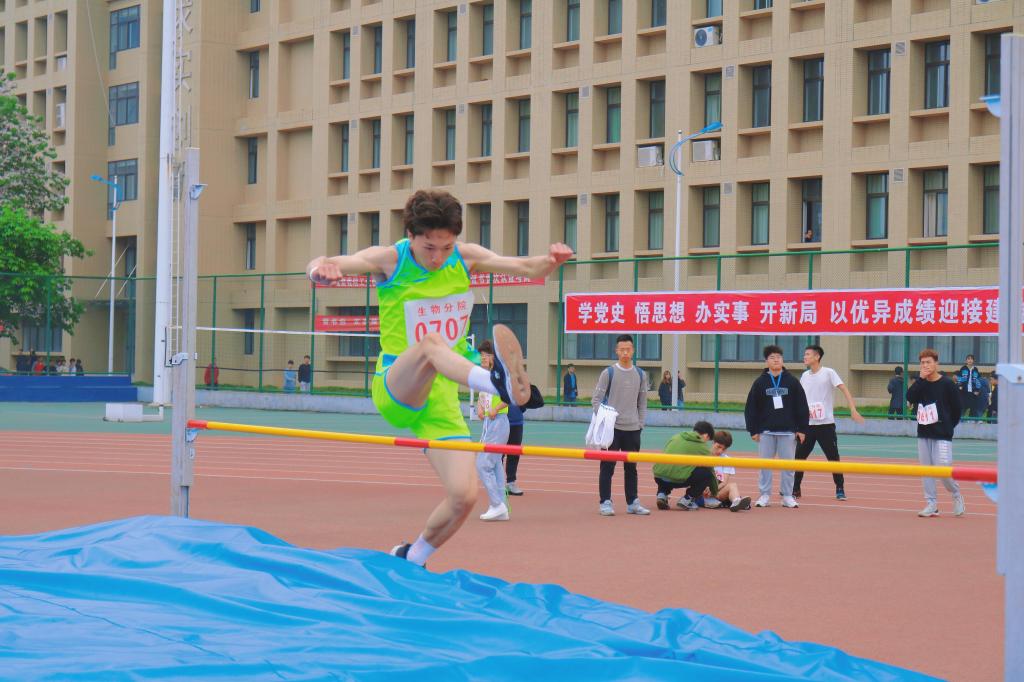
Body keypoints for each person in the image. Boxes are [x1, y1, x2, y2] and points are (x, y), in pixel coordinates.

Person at [306, 189, 572, 566]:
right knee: (431, 344)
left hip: (441, 399)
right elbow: (328, 261)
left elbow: (529, 269)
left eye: (446, 247)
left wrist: (551, 260)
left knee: (464, 496)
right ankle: (496, 383)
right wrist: (320, 269)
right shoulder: (390, 259)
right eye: (429, 247)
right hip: (398, 385)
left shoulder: (466, 258)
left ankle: (411, 557)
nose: (437, 257)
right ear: (411, 235)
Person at [793, 345, 864, 501]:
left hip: (825, 425)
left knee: (833, 458)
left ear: (817, 357)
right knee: (799, 458)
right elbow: (799, 399)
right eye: (804, 354)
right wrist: (798, 424)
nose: (804, 357)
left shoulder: (828, 372)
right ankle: (795, 488)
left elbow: (844, 389)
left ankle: (840, 488)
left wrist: (853, 409)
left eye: (808, 354)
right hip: (807, 425)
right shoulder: (804, 376)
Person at [744, 344, 809, 509]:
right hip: (766, 431)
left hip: (788, 431)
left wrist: (802, 429)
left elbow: (802, 406)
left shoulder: (792, 381)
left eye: (779, 357)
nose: (776, 360)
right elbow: (751, 407)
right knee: (765, 465)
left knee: (788, 466)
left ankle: (787, 496)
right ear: (766, 361)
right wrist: (753, 429)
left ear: (782, 360)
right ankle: (764, 495)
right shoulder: (760, 382)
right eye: (772, 357)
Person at [593, 334, 651, 517]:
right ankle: (605, 502)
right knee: (607, 466)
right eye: (622, 349)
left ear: (633, 351)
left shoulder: (640, 374)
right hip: (612, 430)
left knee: (631, 468)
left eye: (628, 349)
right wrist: (606, 420)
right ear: (616, 351)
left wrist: (640, 423)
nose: (625, 352)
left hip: (633, 429)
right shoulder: (608, 373)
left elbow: (642, 402)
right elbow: (596, 400)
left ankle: (632, 502)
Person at [906, 348, 965, 518]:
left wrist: (948, 426)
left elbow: (957, 409)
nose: (925, 365)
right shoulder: (921, 383)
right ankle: (931, 504)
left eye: (928, 362)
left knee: (943, 468)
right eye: (922, 362)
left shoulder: (947, 384)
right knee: (926, 470)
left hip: (942, 434)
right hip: (924, 432)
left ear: (936, 363)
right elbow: (910, 397)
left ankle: (956, 494)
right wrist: (920, 379)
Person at [475, 340, 510, 522]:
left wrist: (496, 408)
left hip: (499, 422)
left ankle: (497, 504)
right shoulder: (484, 376)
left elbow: (508, 397)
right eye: (481, 355)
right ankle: (501, 507)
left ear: (493, 357)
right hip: (488, 424)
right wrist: (480, 407)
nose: (482, 358)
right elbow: (482, 396)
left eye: (486, 355)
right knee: (495, 464)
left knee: (482, 464)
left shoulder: (500, 375)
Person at [652, 420, 719, 511]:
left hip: (659, 476)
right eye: (707, 440)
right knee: (706, 473)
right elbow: (711, 470)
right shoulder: (701, 445)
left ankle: (662, 494)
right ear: (706, 435)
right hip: (676, 479)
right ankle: (687, 499)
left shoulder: (676, 437)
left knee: (668, 468)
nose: (706, 442)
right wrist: (715, 492)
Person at [708, 430, 752, 512]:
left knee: (732, 485)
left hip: (716, 492)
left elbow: (724, 482)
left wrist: (712, 490)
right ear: (713, 442)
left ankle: (736, 502)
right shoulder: (703, 456)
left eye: (724, 449)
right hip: (702, 491)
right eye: (718, 447)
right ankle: (734, 501)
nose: (720, 451)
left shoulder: (727, 460)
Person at [504, 391, 526, 496]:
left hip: (516, 421)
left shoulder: (518, 383)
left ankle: (511, 483)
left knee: (514, 454)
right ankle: (496, 483)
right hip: (500, 421)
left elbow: (524, 401)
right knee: (497, 455)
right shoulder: (497, 382)